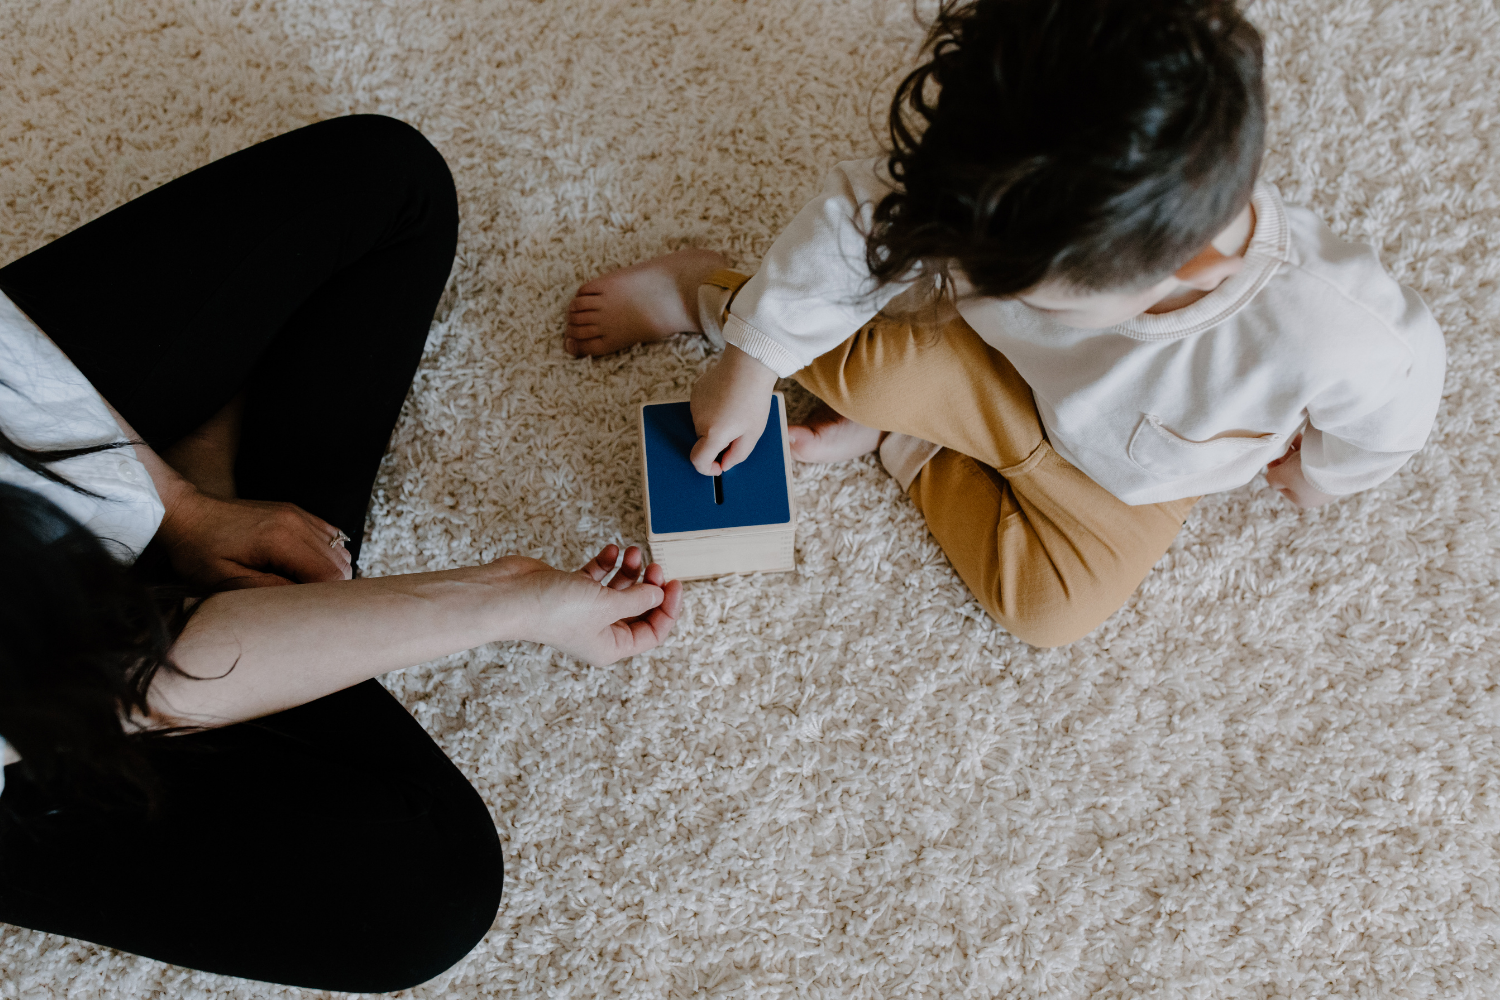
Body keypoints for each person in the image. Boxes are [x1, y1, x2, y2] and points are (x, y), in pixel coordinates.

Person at [0, 114, 682, 993]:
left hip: (40, 521)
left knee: (392, 186)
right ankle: (267, 607)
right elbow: (139, 678)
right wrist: (509, 598)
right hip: (52, 704)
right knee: (423, 891)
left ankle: (254, 574)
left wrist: (185, 507)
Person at [563, 0, 1445, 647]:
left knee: (1052, 610)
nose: (974, 275)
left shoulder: (1333, 330)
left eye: (1025, 291)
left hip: (1139, 476)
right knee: (868, 360)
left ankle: (904, 440)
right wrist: (750, 359)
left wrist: (1321, 474)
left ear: (1191, 266)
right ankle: (703, 292)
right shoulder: (991, 183)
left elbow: (1396, 408)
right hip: (997, 378)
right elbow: (858, 225)